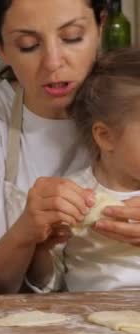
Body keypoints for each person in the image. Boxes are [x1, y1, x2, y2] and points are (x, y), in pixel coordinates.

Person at [0, 0, 112, 294]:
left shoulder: (132, 105)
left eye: (72, 37)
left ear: (100, 27)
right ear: (0, 47)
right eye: (29, 45)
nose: (53, 62)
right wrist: (25, 232)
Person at [28, 48, 140, 292]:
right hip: (89, 317)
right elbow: (47, 283)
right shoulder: (72, 195)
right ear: (105, 137)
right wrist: (42, 248)